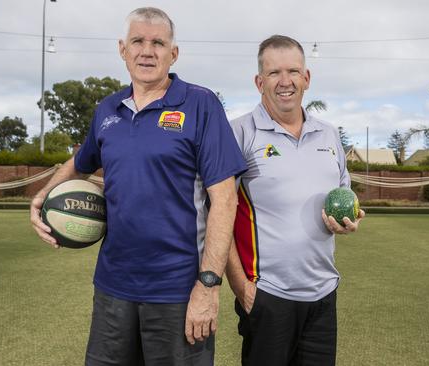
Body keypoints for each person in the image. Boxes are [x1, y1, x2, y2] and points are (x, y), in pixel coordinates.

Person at [30, 7, 246, 366]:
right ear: (122, 49)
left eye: (158, 42)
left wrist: (207, 287)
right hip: (113, 287)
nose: (148, 51)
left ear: (173, 53)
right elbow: (80, 161)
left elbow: (224, 200)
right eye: (138, 41)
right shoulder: (108, 109)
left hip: (178, 290)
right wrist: (40, 199)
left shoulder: (201, 104)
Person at [225, 35, 366, 366]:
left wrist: (350, 220)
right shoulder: (239, 133)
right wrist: (241, 287)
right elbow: (216, 215)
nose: (284, 82)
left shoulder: (329, 134)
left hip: (323, 294)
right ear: (259, 82)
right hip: (267, 296)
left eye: (293, 71)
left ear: (307, 78)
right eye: (274, 73)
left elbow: (344, 196)